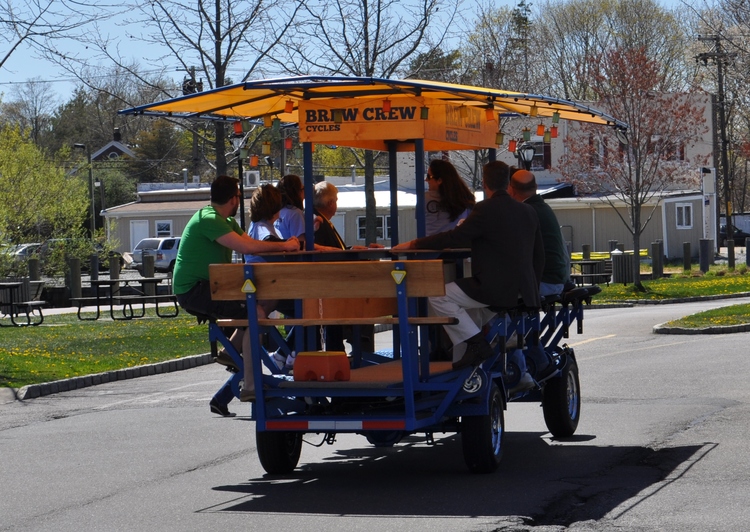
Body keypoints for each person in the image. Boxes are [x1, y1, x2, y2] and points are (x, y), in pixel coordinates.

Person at [392, 161, 545, 370]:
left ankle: (477, 345)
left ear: (485, 183)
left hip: (493, 289)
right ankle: (466, 367)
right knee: (469, 317)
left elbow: (455, 237)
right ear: (508, 184)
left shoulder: (485, 209)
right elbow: (539, 257)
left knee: (438, 295)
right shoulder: (528, 211)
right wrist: (532, 292)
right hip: (522, 292)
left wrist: (414, 244)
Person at [173, 175, 299, 417]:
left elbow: (249, 241)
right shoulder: (209, 219)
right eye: (239, 196)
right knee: (256, 312)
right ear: (233, 198)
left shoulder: (225, 220)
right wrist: (285, 246)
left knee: (265, 301)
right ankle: (251, 386)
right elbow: (247, 248)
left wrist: (285, 243)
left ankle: (229, 352)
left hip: (211, 286)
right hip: (194, 290)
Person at [313, 180, 381, 352]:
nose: (336, 204)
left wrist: (350, 249)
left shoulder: (323, 221)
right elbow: (321, 252)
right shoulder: (317, 221)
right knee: (364, 303)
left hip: (334, 281)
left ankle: (348, 347)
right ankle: (360, 347)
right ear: (330, 203)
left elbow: (332, 249)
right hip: (330, 283)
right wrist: (349, 254)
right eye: (335, 200)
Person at [508, 169, 570, 296]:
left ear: (511, 190)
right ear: (536, 187)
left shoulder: (523, 212)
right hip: (556, 279)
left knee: (491, 294)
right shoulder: (544, 208)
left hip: (543, 281)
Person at [424, 159, 476, 236]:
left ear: (439, 180)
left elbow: (420, 224)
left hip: (428, 245)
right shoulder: (465, 200)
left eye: (429, 176)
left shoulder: (424, 199)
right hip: (457, 245)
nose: (426, 180)